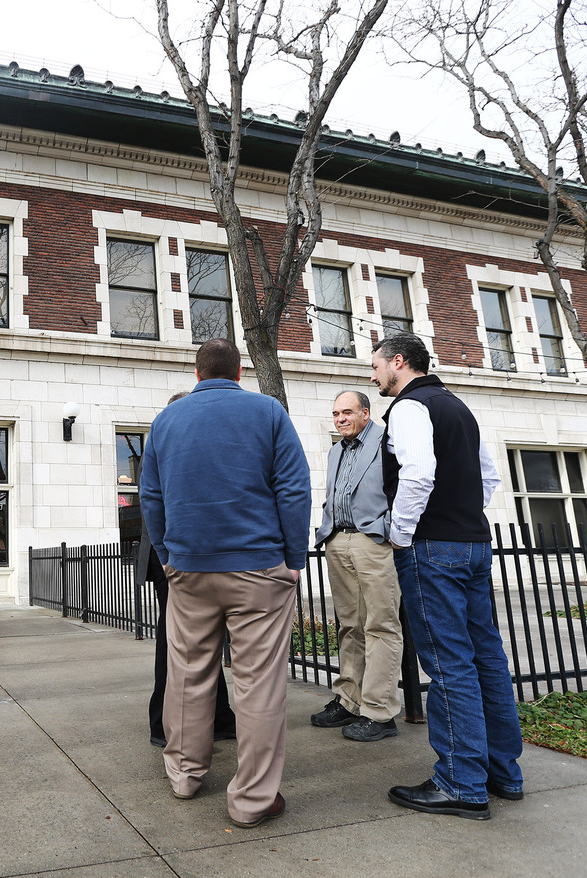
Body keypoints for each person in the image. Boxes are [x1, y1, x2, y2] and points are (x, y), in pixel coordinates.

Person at [141, 338, 311, 829]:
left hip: (190, 569)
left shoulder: (166, 421)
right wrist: (293, 557)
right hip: (258, 567)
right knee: (258, 684)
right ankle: (252, 800)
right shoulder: (268, 411)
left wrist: (170, 555)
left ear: (197, 375)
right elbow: (293, 487)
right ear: (240, 373)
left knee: (189, 674)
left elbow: (150, 496)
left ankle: (185, 774)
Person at [371, 332, 523, 821]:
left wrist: (401, 533)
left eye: (376, 366)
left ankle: (461, 782)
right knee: (486, 659)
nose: (373, 376)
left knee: (449, 663)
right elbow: (489, 478)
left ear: (399, 362)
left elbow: (416, 475)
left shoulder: (410, 408)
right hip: (474, 545)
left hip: (433, 550)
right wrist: (459, 518)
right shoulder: (458, 407)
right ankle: (503, 774)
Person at [137, 392, 235, 749]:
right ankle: (163, 723)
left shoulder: (167, 442)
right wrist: (167, 557)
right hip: (174, 559)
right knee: (176, 643)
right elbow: (154, 503)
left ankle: (219, 716)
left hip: (178, 557)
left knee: (198, 639)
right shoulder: (170, 444)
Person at [312, 391, 403, 741]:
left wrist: (389, 527)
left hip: (374, 542)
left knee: (380, 625)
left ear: (366, 413)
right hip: (339, 541)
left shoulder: (387, 442)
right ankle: (349, 701)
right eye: (336, 413)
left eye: (347, 412)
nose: (340, 419)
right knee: (349, 625)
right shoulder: (336, 450)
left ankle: (380, 712)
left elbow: (409, 485)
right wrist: (328, 530)